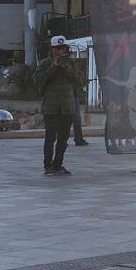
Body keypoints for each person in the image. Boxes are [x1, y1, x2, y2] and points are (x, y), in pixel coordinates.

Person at [39, 37, 81, 176]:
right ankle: (48, 165)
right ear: (52, 49)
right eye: (58, 48)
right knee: (50, 137)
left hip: (67, 106)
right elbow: (38, 80)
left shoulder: (70, 63)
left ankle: (58, 164)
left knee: (64, 137)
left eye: (63, 48)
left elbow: (77, 79)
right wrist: (54, 66)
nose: (61, 51)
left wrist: (66, 67)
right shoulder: (46, 63)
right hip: (51, 106)